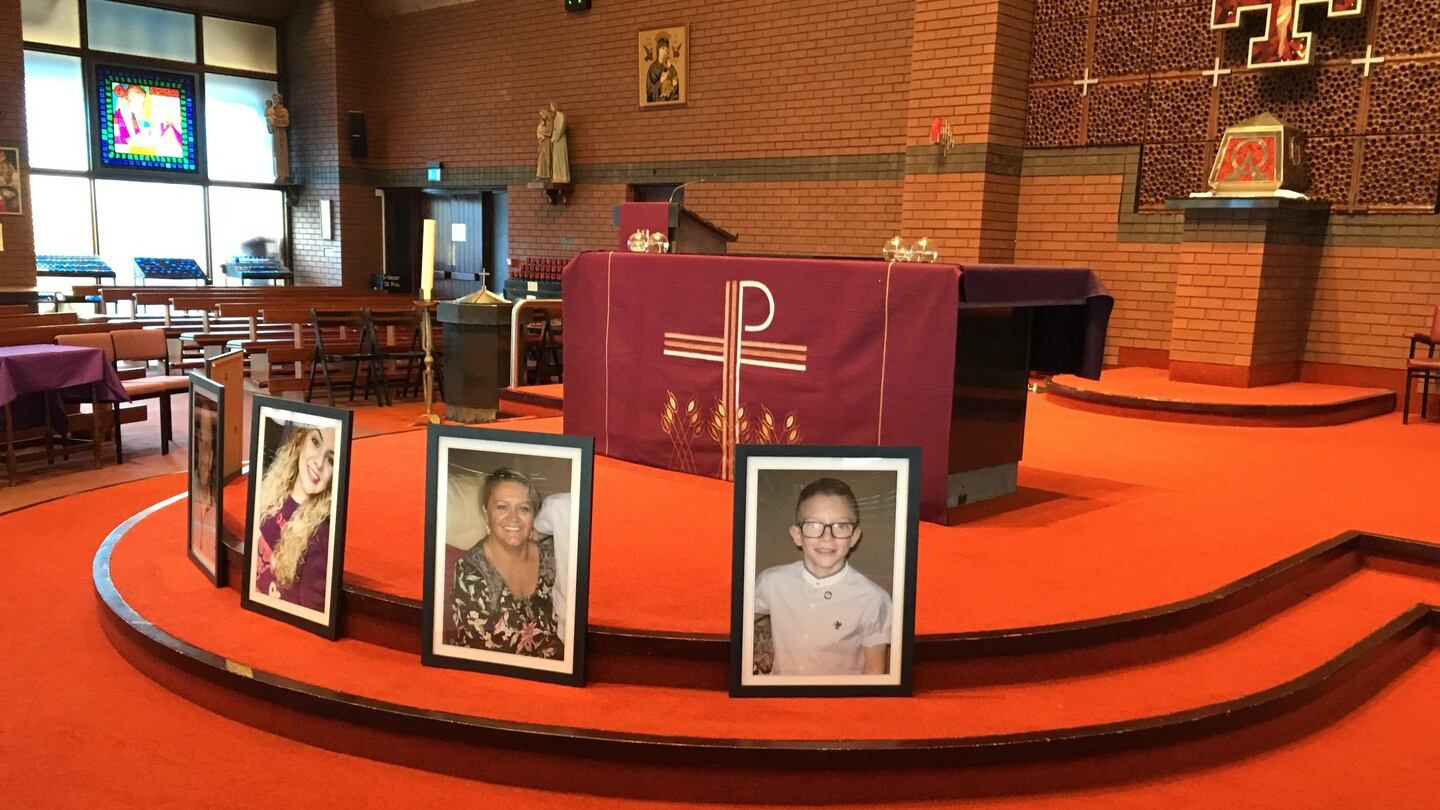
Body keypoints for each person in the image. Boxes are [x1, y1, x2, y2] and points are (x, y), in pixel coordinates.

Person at [753, 477, 892, 676]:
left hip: (838, 703)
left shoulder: (873, 599)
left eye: (841, 526)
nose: (827, 537)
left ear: (854, 537)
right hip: (780, 698)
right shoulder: (771, 582)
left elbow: (875, 670)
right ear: (797, 535)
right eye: (813, 525)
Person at [450, 468, 565, 658]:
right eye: (502, 507)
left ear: (535, 516)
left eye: (524, 509)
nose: (513, 518)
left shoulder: (554, 559)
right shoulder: (470, 571)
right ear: (486, 513)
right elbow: (484, 653)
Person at [252, 423, 337, 611]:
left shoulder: (320, 537)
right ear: (300, 440)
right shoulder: (271, 492)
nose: (319, 463)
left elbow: (311, 612)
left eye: (331, 460)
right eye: (315, 442)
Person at [646, 33, 681, 102]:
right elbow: (649, 92)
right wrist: (660, 82)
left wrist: (674, 85)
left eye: (666, 49)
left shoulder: (671, 68)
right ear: (658, 50)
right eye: (662, 48)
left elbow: (675, 94)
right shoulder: (652, 68)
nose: (664, 51)